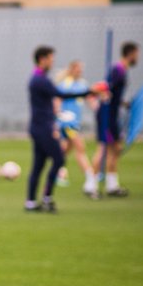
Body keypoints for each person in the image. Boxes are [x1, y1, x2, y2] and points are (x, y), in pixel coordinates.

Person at [25, 47, 103, 212]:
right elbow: (61, 94)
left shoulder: (37, 78)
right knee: (59, 159)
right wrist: (89, 92)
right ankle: (46, 198)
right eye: (50, 59)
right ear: (42, 59)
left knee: (39, 165)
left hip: (38, 127)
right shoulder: (40, 80)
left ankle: (31, 202)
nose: (52, 62)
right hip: (43, 128)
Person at [91, 41, 140, 197]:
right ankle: (91, 186)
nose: (138, 57)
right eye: (137, 54)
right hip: (106, 115)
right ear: (130, 53)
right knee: (103, 148)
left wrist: (123, 103)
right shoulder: (117, 70)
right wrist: (100, 96)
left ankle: (112, 185)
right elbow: (103, 87)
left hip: (112, 114)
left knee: (116, 149)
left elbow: (113, 93)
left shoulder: (122, 70)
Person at [52, 59, 100, 198]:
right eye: (78, 68)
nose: (80, 71)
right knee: (80, 148)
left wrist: (100, 108)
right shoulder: (65, 84)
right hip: (67, 122)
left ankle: (56, 171)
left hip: (75, 122)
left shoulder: (83, 84)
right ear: (72, 69)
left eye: (81, 69)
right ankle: (90, 179)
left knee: (66, 150)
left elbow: (90, 100)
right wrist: (58, 115)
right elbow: (57, 100)